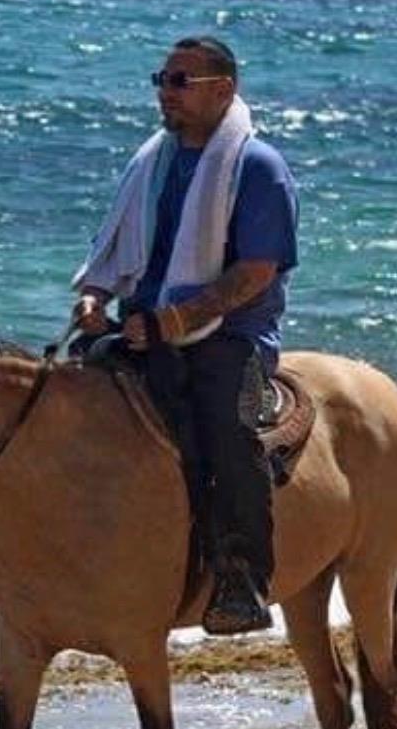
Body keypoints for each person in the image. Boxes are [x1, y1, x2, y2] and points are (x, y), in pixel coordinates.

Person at [70, 36, 298, 634]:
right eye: (161, 80)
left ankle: (242, 578)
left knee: (225, 431)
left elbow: (256, 272)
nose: (165, 93)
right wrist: (95, 297)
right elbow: (115, 248)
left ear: (223, 89)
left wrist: (175, 322)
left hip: (229, 334)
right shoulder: (151, 164)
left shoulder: (258, 167)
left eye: (179, 82)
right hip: (144, 326)